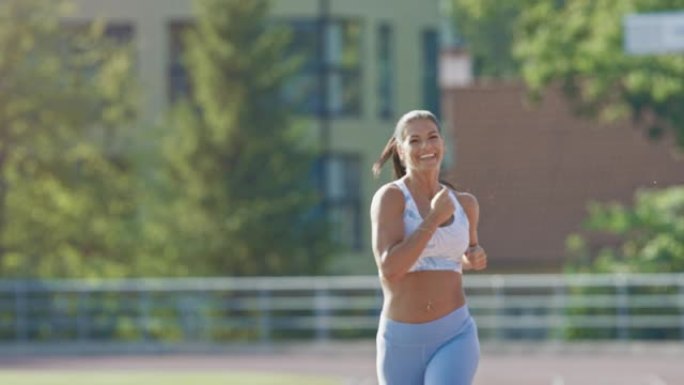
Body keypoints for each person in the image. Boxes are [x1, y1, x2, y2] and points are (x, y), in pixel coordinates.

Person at [370, 110, 487, 385]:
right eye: (415, 141)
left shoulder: (465, 204)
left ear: (443, 144)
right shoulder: (391, 198)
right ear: (400, 150)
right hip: (400, 342)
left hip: (454, 335)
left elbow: (459, 257)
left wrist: (473, 258)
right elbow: (390, 269)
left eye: (433, 137)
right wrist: (433, 218)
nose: (426, 147)